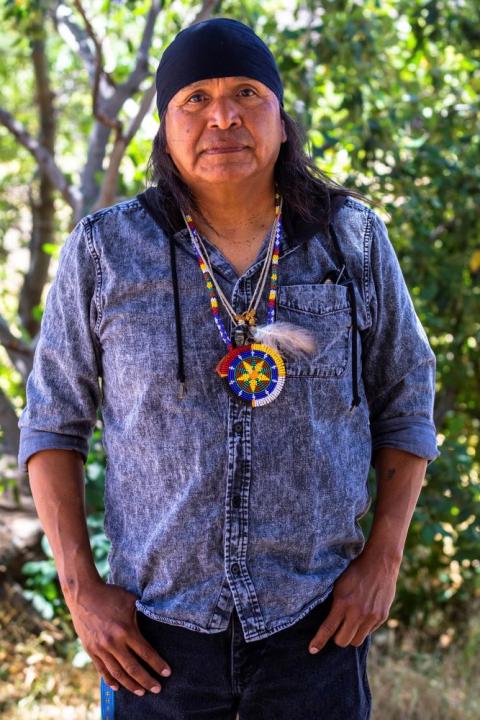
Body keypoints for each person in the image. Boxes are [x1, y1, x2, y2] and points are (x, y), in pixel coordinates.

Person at [18, 17, 440, 720]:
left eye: (247, 92)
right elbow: (53, 420)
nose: (223, 116)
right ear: (164, 124)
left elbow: (406, 393)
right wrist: (81, 592)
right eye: (196, 98)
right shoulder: (107, 252)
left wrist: (384, 559)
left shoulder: (350, 239)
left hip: (314, 635)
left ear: (280, 118)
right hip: (154, 644)